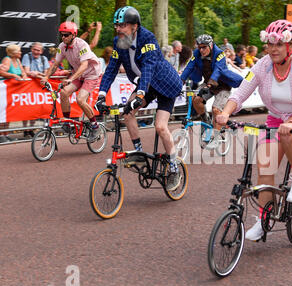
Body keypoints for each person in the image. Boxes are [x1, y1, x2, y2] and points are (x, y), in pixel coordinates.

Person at [216, 20, 292, 241]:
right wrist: (226, 113)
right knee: (265, 168)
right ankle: (262, 219)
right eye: (270, 45)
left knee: (289, 134)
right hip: (277, 119)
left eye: (278, 45)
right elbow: (239, 94)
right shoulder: (262, 65)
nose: (273, 49)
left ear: (290, 46)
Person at [95, 6, 183, 189]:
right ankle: (139, 153)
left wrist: (140, 94)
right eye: (116, 25)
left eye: (123, 25)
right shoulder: (119, 42)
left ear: (135, 26)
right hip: (145, 85)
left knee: (160, 126)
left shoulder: (147, 38)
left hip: (164, 84)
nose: (118, 29)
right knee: (128, 112)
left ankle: (174, 167)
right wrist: (101, 96)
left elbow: (148, 68)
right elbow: (111, 70)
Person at [40, 21, 102, 142]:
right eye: (62, 35)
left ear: (73, 35)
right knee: (63, 93)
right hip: (78, 75)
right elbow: (55, 64)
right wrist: (46, 77)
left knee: (80, 99)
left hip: (91, 75)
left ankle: (95, 126)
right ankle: (67, 123)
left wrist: (70, 79)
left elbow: (84, 66)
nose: (63, 37)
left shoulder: (82, 45)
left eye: (66, 35)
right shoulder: (62, 47)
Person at [180, 34, 243, 129]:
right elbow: (189, 67)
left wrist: (209, 85)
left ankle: (216, 136)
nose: (201, 50)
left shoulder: (220, 53)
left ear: (211, 45)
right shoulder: (197, 53)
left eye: (204, 47)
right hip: (208, 83)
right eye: (199, 47)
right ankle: (206, 120)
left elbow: (218, 70)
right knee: (196, 100)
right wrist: (180, 82)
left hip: (222, 86)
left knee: (216, 109)